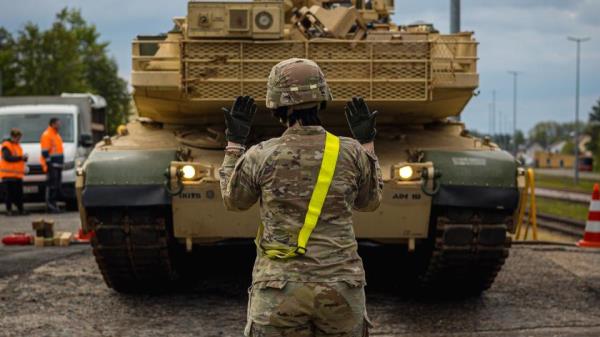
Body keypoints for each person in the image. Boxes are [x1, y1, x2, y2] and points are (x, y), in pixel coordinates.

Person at [219, 58, 383, 337]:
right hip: (340, 287)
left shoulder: (262, 154)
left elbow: (234, 201)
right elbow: (370, 202)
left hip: (279, 289)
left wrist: (235, 143)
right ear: (321, 100)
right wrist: (367, 143)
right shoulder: (351, 152)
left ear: (275, 105)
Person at [0, 128, 28, 215]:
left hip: (17, 175)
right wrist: (21, 158)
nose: (19, 140)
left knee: (19, 194)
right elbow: (7, 158)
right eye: (18, 138)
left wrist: (24, 159)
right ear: (13, 137)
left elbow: (18, 158)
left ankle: (21, 210)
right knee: (9, 195)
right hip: (8, 174)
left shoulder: (18, 146)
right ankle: (9, 210)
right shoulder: (6, 145)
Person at [40, 118, 64, 213]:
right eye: (58, 123)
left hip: (57, 165)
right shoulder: (47, 135)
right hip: (52, 165)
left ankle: (54, 204)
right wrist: (49, 164)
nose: (59, 125)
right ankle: (50, 205)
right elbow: (45, 152)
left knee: (56, 186)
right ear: (53, 124)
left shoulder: (56, 135)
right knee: (52, 186)